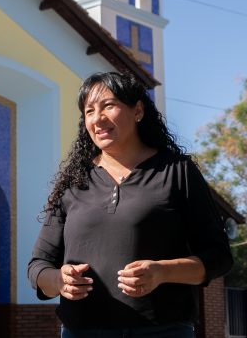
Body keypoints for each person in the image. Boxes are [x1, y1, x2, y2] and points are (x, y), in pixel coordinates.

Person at [27, 72, 232, 337]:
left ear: (137, 111)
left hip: (164, 331)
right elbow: (38, 265)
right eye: (89, 111)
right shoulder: (73, 182)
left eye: (108, 106)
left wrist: (161, 272)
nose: (97, 118)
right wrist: (58, 280)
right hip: (82, 331)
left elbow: (219, 256)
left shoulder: (177, 171)